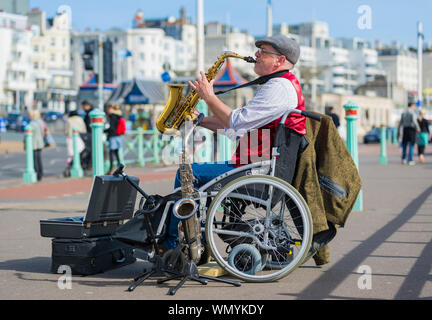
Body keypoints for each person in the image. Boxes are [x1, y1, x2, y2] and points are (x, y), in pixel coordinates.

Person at [163, 34, 306, 250]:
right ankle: (196, 242)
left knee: (186, 173)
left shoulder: (278, 87)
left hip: (256, 171)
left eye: (263, 51)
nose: (256, 54)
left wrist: (208, 96)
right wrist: (201, 120)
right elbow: (237, 129)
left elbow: (236, 122)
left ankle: (172, 245)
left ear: (280, 60)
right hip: (259, 164)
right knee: (194, 175)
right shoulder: (281, 85)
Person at [63, 110, 87, 177]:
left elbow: (66, 130)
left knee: (72, 154)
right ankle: (79, 166)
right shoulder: (80, 119)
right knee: (79, 152)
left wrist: (67, 134)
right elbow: (84, 129)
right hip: (79, 138)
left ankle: (70, 166)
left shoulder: (69, 120)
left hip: (71, 138)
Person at [105, 104, 125, 175]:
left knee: (111, 153)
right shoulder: (118, 116)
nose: (108, 111)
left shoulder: (112, 117)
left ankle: (110, 169)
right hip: (118, 136)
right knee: (116, 153)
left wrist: (105, 131)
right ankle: (120, 168)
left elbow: (112, 128)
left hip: (113, 136)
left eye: (109, 109)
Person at [27, 109, 45, 181]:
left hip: (33, 143)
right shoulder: (41, 122)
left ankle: (37, 174)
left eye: (30, 115)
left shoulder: (32, 124)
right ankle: (40, 173)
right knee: (39, 159)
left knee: (34, 160)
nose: (29, 117)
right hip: (40, 142)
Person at [80, 100, 93, 172]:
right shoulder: (87, 113)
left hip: (90, 134)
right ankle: (89, 165)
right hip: (90, 134)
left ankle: (89, 165)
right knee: (89, 150)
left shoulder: (89, 114)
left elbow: (88, 125)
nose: (83, 107)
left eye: (83, 106)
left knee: (89, 150)